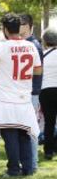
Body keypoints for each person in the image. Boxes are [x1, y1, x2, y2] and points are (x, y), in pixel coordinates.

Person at [0, 13, 42, 177]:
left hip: (6, 98)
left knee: (9, 135)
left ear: (4, 29)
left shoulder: (2, 46)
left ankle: (14, 169)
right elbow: (38, 70)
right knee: (24, 133)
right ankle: (28, 168)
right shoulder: (31, 46)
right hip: (24, 97)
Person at [20, 14, 44, 171]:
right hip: (24, 92)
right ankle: (28, 162)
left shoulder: (33, 44)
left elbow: (37, 72)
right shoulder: (24, 43)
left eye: (21, 24)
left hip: (32, 92)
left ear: (28, 25)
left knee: (31, 129)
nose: (19, 27)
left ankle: (32, 163)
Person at [39, 28, 57, 160]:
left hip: (46, 90)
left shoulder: (42, 56)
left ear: (45, 41)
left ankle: (48, 150)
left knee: (49, 122)